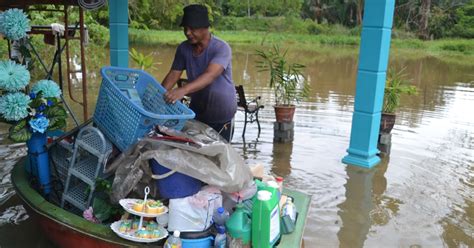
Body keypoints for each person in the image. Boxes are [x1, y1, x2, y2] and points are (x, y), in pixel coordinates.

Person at [162, 4, 237, 142]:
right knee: (196, 155)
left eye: (192, 28)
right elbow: (173, 74)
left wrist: (182, 90)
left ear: (205, 28)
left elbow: (210, 75)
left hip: (222, 118)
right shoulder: (183, 49)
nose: (188, 32)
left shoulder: (221, 48)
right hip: (198, 115)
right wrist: (158, 96)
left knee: (218, 157)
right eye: (185, 29)